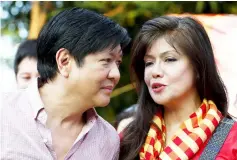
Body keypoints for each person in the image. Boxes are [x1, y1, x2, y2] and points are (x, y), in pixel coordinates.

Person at [1, 8, 130, 160]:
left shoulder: (108, 140)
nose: (116, 74)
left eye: (118, 62)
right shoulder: (4, 112)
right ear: (64, 61)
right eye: (106, 61)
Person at [119, 16, 237, 160]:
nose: (155, 72)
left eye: (169, 59)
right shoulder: (129, 139)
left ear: (198, 68)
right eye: (149, 63)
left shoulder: (231, 139)